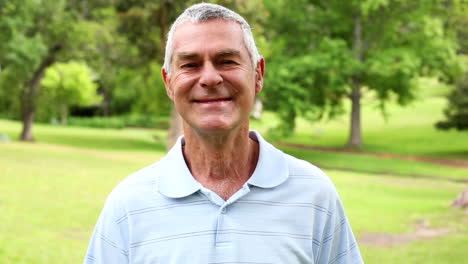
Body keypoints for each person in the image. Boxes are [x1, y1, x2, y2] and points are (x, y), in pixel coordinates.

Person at [84, 3, 363, 263]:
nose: (209, 78)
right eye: (190, 65)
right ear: (169, 83)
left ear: (258, 74)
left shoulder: (314, 194)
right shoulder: (129, 205)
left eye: (226, 61)